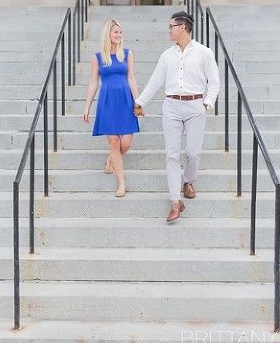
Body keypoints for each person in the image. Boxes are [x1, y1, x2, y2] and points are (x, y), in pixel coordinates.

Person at [133, 12, 220, 222]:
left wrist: (207, 103)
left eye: (171, 26)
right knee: (172, 154)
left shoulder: (204, 53)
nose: (168, 29)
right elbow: (155, 81)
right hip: (171, 105)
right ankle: (175, 201)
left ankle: (188, 180)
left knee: (192, 152)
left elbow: (214, 82)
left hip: (195, 105)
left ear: (182, 27)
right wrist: (140, 102)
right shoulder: (166, 55)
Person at [82, 19, 140, 197]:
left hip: (125, 100)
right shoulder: (98, 58)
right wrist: (87, 107)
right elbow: (93, 83)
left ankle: (110, 160)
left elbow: (131, 78)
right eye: (116, 32)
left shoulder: (127, 54)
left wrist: (138, 102)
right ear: (108, 34)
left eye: (120, 33)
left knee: (126, 143)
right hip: (107, 101)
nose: (119, 35)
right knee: (114, 142)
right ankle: (121, 183)